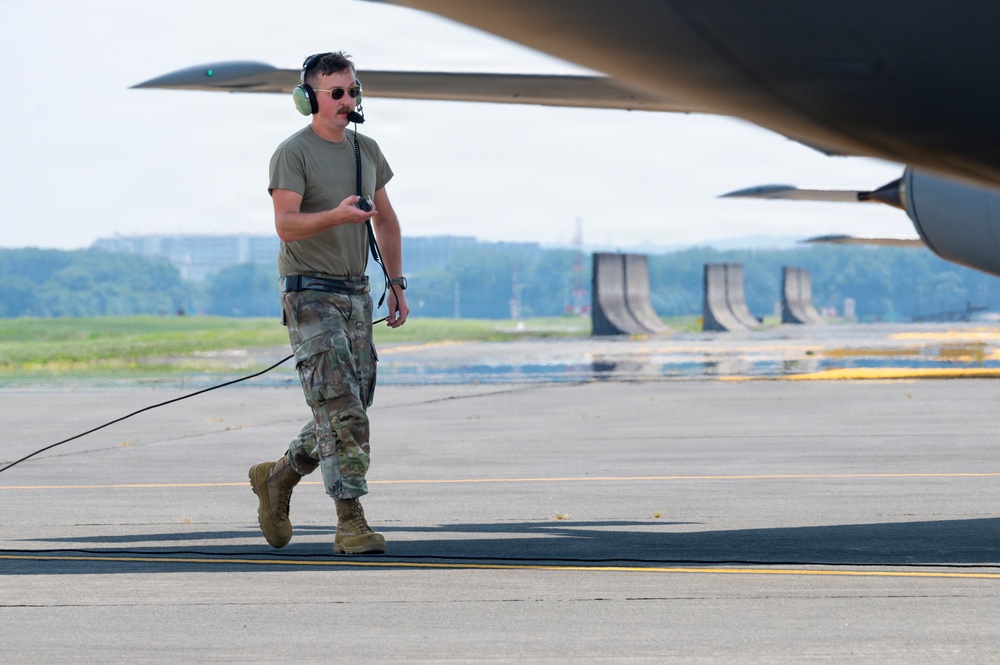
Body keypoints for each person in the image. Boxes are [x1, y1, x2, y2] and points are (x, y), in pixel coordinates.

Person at [248, 51, 409, 555]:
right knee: (342, 409)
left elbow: (385, 218)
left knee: (350, 405)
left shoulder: (367, 151)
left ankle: (278, 477)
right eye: (336, 92)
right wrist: (336, 217)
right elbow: (286, 224)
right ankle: (350, 521)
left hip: (356, 292)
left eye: (353, 91)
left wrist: (397, 282)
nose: (347, 101)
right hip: (309, 290)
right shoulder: (292, 153)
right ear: (308, 99)